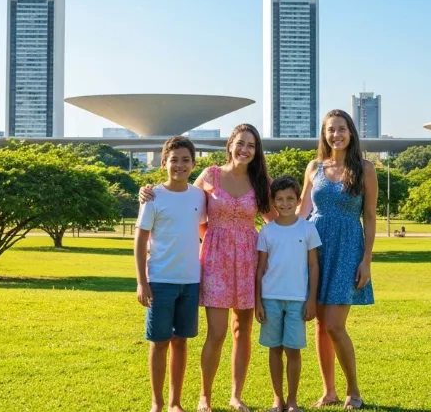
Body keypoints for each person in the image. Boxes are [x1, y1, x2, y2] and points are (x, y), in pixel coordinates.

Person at [140, 124, 275, 412]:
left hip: (249, 258)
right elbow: (182, 194)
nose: (245, 149)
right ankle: (205, 396)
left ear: (256, 150)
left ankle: (236, 395)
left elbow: (275, 220)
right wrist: (147, 191)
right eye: (240, 143)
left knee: (243, 329)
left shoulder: (262, 181)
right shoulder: (212, 174)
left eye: (251, 145)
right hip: (215, 259)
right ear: (230, 145)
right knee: (217, 332)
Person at [298, 109, 376, 410]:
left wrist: (366, 260)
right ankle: (328, 392)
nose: (336, 134)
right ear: (324, 134)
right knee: (319, 324)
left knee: (334, 325)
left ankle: (353, 391)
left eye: (341, 129)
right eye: (330, 129)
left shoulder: (365, 168)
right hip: (315, 248)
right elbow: (301, 210)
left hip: (347, 249)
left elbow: (369, 217)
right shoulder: (314, 166)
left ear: (351, 132)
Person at [135, 136, 206, 412]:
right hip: (160, 281)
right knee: (159, 342)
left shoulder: (199, 196)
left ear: (193, 164)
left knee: (181, 342)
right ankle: (157, 403)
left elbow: (204, 226)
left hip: (190, 281)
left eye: (186, 160)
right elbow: (140, 241)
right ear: (163, 163)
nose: (180, 165)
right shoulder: (153, 197)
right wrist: (142, 282)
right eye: (174, 160)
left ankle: (175, 403)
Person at [255, 175, 321, 412]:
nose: (285, 203)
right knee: (275, 349)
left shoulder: (308, 228)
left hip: (298, 300)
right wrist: (258, 303)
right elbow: (260, 268)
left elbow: (314, 266)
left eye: (290, 198)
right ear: (272, 201)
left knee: (293, 350)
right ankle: (277, 400)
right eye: (280, 199)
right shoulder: (266, 231)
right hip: (270, 299)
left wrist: (311, 300)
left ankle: (292, 401)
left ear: (298, 199)